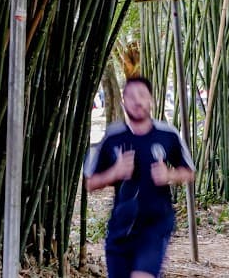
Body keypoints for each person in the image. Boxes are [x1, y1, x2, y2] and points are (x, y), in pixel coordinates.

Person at [84, 76, 195, 278]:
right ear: (123, 101)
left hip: (156, 225)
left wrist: (169, 174)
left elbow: (189, 172)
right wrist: (114, 173)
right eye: (131, 96)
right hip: (121, 229)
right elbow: (90, 183)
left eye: (142, 95)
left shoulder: (167, 134)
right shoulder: (113, 136)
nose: (137, 101)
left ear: (151, 100)